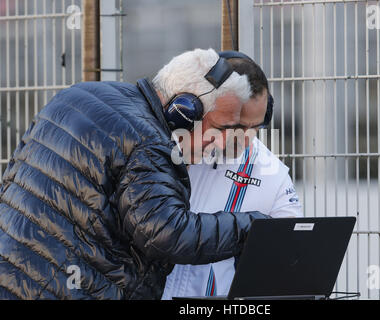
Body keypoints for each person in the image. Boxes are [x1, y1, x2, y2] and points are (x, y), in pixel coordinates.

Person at [0, 48, 271, 300]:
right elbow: (165, 233)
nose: (221, 142)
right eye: (218, 128)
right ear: (184, 111)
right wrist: (252, 227)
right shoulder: (148, 141)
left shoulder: (75, 96)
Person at [162, 136, 303, 299]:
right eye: (231, 123)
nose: (240, 135)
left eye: (252, 126)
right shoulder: (173, 143)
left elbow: (293, 248)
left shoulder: (273, 172)